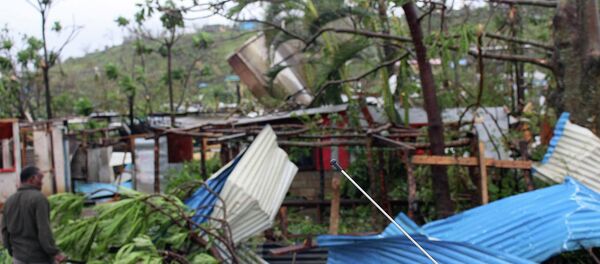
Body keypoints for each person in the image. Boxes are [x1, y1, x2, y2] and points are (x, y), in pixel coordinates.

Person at [1, 166, 66, 264]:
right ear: (32, 179)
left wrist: (11, 251)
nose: (42, 182)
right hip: (38, 258)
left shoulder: (9, 201)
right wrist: (55, 252)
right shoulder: (39, 198)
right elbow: (44, 230)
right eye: (40, 178)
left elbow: (4, 231)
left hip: (18, 258)